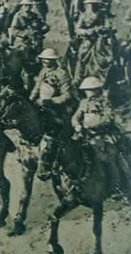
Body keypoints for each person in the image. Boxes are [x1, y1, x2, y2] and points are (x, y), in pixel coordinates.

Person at [71, 76, 125, 193]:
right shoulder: (83, 103)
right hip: (86, 134)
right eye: (85, 90)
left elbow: (107, 118)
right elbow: (76, 116)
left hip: (102, 134)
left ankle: (115, 186)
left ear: (96, 89)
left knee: (108, 158)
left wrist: (92, 125)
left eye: (89, 89)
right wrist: (76, 124)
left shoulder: (104, 102)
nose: (87, 92)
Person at [30, 48, 75, 179]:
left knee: (55, 131)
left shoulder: (62, 74)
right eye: (44, 60)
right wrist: (30, 101)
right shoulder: (43, 72)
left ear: (54, 61)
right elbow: (36, 88)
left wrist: (51, 101)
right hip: (42, 105)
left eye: (48, 60)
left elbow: (67, 96)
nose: (45, 62)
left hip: (57, 109)